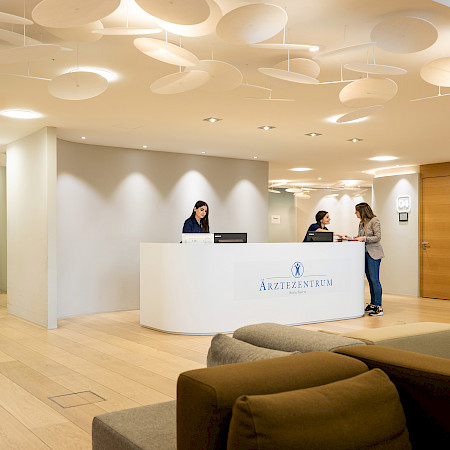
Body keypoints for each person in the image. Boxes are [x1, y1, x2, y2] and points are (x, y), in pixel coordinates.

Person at [354, 202, 384, 316]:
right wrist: (352, 238)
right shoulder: (362, 222)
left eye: (356, 211)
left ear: (362, 211)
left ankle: (378, 306)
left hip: (374, 254)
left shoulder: (374, 220)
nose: (355, 213)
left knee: (375, 280)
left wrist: (364, 238)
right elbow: (360, 237)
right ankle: (373, 304)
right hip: (365, 254)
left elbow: (378, 237)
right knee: (370, 280)